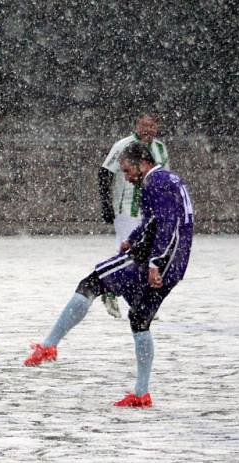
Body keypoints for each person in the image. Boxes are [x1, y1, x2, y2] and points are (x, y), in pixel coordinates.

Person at [25, 142, 193, 408]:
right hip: (177, 261)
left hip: (154, 258)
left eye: (127, 170)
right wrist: (133, 238)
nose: (126, 177)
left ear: (143, 162)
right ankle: (141, 394)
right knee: (140, 317)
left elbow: (168, 226)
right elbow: (155, 222)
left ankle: (49, 345)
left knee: (92, 282)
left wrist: (154, 263)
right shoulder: (167, 179)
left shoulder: (155, 182)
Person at [98, 113, 170, 318]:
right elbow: (104, 172)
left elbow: (163, 178)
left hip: (149, 209)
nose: (148, 129)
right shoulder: (123, 145)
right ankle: (111, 290)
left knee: (143, 253)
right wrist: (106, 204)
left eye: (152, 125)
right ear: (137, 125)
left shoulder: (160, 148)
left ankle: (137, 299)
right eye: (144, 125)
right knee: (131, 250)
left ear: (157, 127)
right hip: (126, 207)